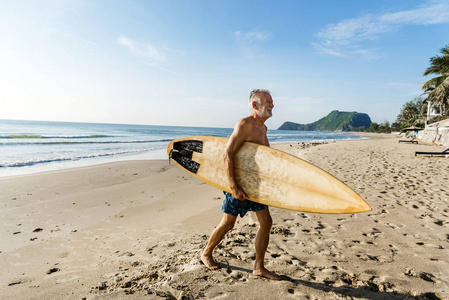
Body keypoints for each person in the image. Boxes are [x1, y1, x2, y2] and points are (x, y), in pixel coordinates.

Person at [201, 89, 280, 280]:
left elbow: (262, 158)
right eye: (267, 101)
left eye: (271, 101)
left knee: (266, 222)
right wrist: (234, 187)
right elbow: (226, 154)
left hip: (255, 185)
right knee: (228, 224)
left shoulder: (263, 128)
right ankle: (206, 254)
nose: (272, 105)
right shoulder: (245, 124)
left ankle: (259, 267)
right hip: (239, 184)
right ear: (254, 105)